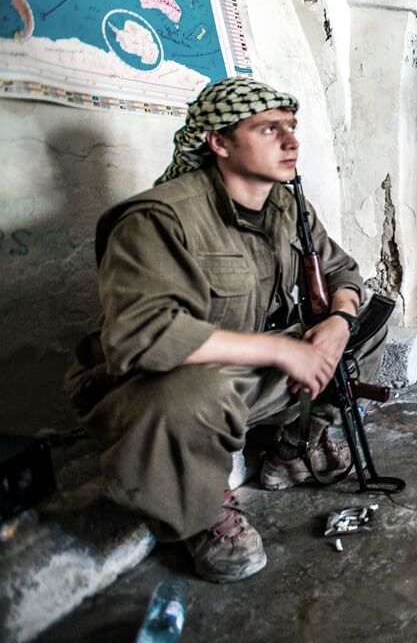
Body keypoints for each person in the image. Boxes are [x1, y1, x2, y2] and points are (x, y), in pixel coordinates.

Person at [64, 77, 388, 582]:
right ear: (218, 141)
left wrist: (339, 325)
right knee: (194, 392)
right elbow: (145, 335)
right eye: (268, 129)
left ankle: (292, 449)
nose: (291, 141)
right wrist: (283, 353)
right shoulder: (159, 217)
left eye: (292, 127)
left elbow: (344, 273)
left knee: (369, 321)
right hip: (163, 386)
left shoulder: (289, 207)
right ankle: (201, 511)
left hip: (246, 374)